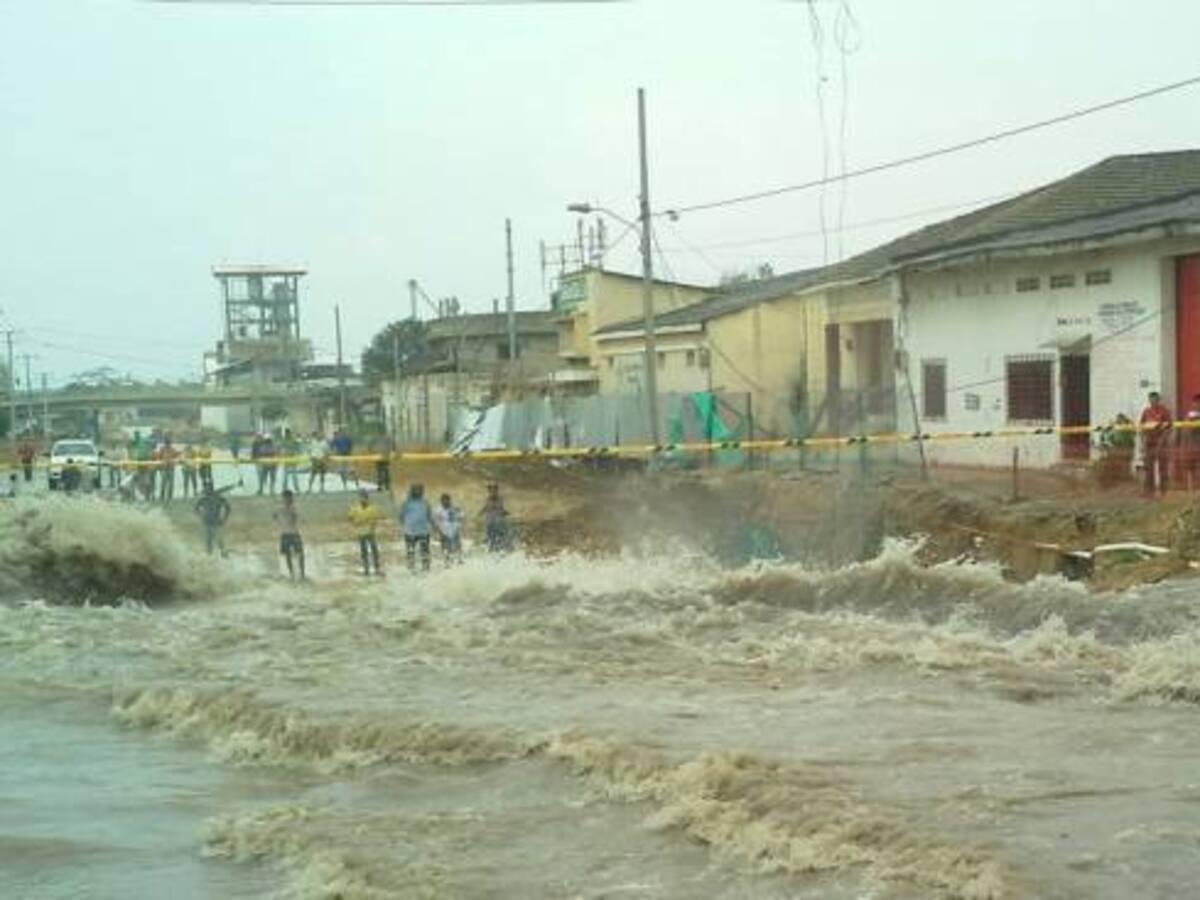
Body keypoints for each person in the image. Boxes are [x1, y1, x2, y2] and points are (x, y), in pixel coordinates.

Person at [1139, 391, 1173, 496]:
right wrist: (1143, 440)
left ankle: (1163, 490)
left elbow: (1169, 427)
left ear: (1158, 400)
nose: (1153, 402)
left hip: (1161, 443)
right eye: (1151, 400)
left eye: (1155, 400)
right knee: (1148, 466)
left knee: (1163, 467)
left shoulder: (1164, 411)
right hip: (1149, 442)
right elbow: (1142, 426)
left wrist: (1162, 440)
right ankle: (1149, 490)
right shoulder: (1146, 412)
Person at [348, 489, 385, 576]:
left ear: (367, 498)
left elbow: (377, 518)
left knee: (374, 550)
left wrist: (372, 525)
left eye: (364, 497)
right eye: (361, 497)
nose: (362, 499)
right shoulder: (355, 508)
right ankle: (366, 569)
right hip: (361, 533)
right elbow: (350, 517)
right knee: (364, 551)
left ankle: (377, 568)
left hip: (370, 532)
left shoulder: (372, 508)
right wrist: (356, 523)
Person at [398, 483, 432, 572]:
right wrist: (405, 526)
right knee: (410, 551)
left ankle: (426, 567)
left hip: (423, 531)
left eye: (420, 490)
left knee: (425, 551)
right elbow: (401, 516)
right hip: (410, 532)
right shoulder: (406, 502)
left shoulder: (425, 502)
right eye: (415, 490)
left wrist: (432, 526)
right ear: (412, 491)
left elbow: (429, 515)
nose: (418, 492)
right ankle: (411, 568)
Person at [273, 489, 306, 580]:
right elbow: (293, 520)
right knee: (295, 554)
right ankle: (295, 573)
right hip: (290, 533)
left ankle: (298, 574)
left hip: (289, 533)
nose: (289, 499)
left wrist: (281, 522)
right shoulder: (288, 508)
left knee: (296, 554)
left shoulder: (282, 508)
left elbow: (275, 517)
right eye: (287, 498)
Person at [194, 483, 232, 556]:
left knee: (218, 540)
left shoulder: (217, 498)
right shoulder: (204, 499)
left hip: (216, 522)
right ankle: (210, 555)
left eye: (207, 489)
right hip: (208, 522)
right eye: (205, 489)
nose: (206, 491)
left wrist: (225, 518)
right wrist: (201, 515)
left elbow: (228, 507)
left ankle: (222, 554)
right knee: (209, 540)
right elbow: (196, 509)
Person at [432, 492, 463, 564]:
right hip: (444, 530)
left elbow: (461, 516)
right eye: (443, 500)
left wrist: (458, 524)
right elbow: (435, 520)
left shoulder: (454, 508)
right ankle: (446, 559)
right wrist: (437, 529)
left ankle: (459, 558)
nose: (445, 502)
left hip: (454, 528)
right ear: (441, 501)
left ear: (449, 500)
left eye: (446, 500)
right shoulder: (438, 510)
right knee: (445, 545)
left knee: (457, 544)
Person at [480, 482, 512, 553]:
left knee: (499, 536)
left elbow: (501, 509)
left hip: (498, 522)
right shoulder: (488, 500)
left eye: (494, 491)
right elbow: (486, 508)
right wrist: (481, 513)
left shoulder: (500, 500)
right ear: (489, 492)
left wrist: (506, 513)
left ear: (497, 491)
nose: (493, 493)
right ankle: (491, 547)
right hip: (490, 522)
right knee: (490, 536)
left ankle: (498, 548)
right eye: (491, 491)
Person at [1182, 394, 1200, 492]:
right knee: (1190, 468)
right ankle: (1191, 488)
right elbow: (1186, 430)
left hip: (1198, 445)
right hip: (1191, 446)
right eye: (1196, 403)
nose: (1197, 405)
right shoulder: (1190, 415)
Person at [281, 428, 302, 494]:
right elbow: (281, 449)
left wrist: (296, 453)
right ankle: (284, 489)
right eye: (286, 433)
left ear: (289, 433)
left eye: (288, 433)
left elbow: (298, 448)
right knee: (285, 477)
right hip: (286, 461)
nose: (287, 434)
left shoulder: (293, 440)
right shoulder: (284, 441)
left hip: (293, 461)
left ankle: (297, 489)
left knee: (294, 476)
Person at [158, 437, 177, 503]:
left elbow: (176, 457)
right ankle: (162, 496)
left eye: (168, 443)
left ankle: (170, 497)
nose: (167, 444)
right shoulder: (162, 449)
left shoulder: (172, 449)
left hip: (171, 469)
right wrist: (160, 467)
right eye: (166, 443)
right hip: (164, 468)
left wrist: (173, 462)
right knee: (163, 483)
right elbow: (159, 458)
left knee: (171, 484)